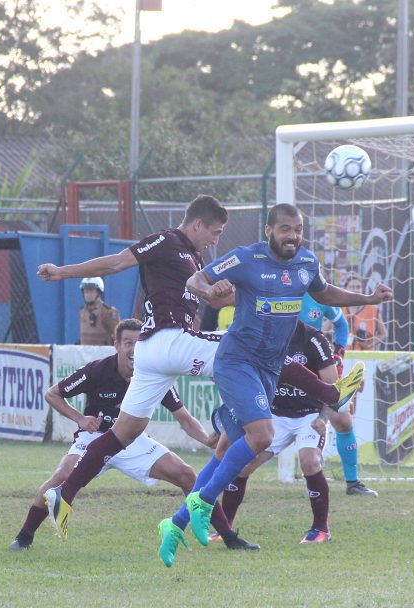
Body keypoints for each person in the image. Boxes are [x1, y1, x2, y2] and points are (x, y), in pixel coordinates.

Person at [38, 195, 363, 542]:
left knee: (122, 434)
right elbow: (117, 263)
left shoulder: (196, 259)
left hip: (154, 356)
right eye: (214, 232)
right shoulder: (167, 240)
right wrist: (63, 272)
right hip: (168, 340)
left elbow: (224, 296)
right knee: (257, 348)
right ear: (196, 224)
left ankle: (65, 494)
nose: (215, 240)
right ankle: (332, 394)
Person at [158, 203, 391, 567]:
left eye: (297, 229)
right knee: (262, 436)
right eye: (285, 228)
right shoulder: (246, 259)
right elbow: (195, 280)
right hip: (238, 362)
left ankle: (174, 526)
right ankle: (203, 504)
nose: (293, 236)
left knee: (227, 452)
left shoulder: (306, 264)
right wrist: (209, 289)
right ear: (269, 230)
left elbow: (325, 292)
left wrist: (368, 299)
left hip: (269, 368)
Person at [9, 318, 256, 552]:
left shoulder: (153, 374)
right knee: (62, 476)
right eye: (128, 343)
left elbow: (184, 418)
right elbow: (53, 393)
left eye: (140, 343)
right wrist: (80, 419)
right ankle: (24, 536)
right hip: (95, 438)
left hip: (132, 442)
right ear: (116, 345)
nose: (134, 349)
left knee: (186, 475)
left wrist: (206, 439)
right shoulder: (98, 370)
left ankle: (229, 537)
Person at [210, 321, 341, 544]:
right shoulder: (261, 335)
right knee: (242, 465)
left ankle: (321, 529)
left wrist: (323, 418)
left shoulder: (314, 339)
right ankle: (225, 528)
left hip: (309, 416)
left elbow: (333, 387)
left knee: (309, 462)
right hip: (275, 416)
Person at [299, 292, 377, 497]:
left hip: (315, 368)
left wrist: (338, 354)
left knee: (342, 420)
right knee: (259, 429)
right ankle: (231, 479)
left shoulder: (319, 296)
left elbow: (341, 325)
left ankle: (352, 482)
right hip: (280, 367)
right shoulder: (279, 291)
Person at [343, 273, 387, 350]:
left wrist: (369, 345)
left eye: (358, 287)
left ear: (362, 289)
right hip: (344, 355)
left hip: (365, 356)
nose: (355, 290)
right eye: (352, 287)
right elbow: (325, 329)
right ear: (345, 288)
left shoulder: (372, 309)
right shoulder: (339, 308)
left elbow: (383, 334)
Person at [78, 277, 120, 345]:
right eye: (86, 292)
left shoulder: (108, 311)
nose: (88, 295)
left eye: (91, 291)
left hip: (103, 353)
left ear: (98, 293)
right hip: (85, 353)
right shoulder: (82, 311)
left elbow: (118, 335)